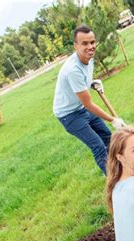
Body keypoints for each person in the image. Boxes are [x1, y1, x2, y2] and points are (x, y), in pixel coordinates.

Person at [53, 25, 125, 175]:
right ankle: (117, 183)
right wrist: (113, 120)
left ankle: (123, 170)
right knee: (98, 146)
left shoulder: (88, 58)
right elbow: (88, 104)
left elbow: (83, 81)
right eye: (84, 43)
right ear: (76, 46)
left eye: (92, 42)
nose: (90, 47)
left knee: (108, 138)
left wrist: (91, 83)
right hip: (69, 115)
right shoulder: (72, 70)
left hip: (79, 107)